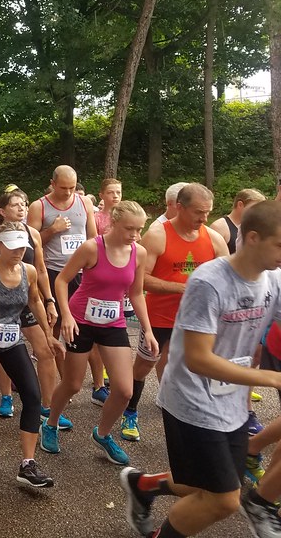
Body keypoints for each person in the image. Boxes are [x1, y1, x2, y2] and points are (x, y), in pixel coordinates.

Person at [119, 199, 281, 538]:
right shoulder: (209, 282)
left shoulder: (273, 279)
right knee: (223, 500)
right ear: (252, 238)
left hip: (232, 401)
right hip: (191, 400)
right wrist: (270, 377)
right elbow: (198, 359)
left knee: (208, 485)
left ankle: (144, 485)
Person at [40, 201, 156, 467]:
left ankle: (102, 434)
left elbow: (136, 293)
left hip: (112, 322)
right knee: (72, 384)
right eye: (130, 229)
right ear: (113, 222)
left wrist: (147, 329)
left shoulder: (139, 253)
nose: (135, 235)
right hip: (81, 321)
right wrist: (66, 315)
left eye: (139, 230)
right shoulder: (93, 247)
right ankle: (51, 423)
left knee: (125, 390)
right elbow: (62, 280)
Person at [121, 183, 229, 441]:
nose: (204, 218)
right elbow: (141, 281)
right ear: (179, 207)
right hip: (160, 317)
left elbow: (227, 276)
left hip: (197, 319)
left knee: (193, 367)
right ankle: (130, 412)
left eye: (208, 212)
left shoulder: (213, 239)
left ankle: (190, 415)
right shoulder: (158, 235)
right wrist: (183, 288)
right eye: (198, 212)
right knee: (145, 365)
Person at [0, 222, 60, 488]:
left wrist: (48, 333)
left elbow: (34, 301)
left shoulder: (28, 271)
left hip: (11, 339)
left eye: (23, 247)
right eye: (13, 246)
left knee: (32, 394)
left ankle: (27, 464)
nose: (19, 252)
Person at [0, 187, 65, 429]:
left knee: (45, 350)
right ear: (2, 211)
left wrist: (50, 300)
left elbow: (41, 269)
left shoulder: (32, 234)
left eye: (24, 204)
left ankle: (47, 406)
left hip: (26, 300)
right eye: (15, 205)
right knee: (2, 347)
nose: (22, 208)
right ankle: (6, 396)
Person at [27, 165, 101, 399]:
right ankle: (64, 383)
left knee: (92, 326)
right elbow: (32, 242)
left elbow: (93, 237)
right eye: (63, 188)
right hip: (53, 272)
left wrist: (96, 266)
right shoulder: (38, 206)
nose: (69, 192)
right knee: (56, 327)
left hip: (82, 273)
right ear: (52, 183)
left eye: (72, 187)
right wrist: (53, 229)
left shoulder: (84, 203)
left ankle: (99, 386)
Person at [210, 188, 267, 254]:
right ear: (240, 205)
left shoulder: (254, 226)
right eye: (254, 208)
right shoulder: (220, 227)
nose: (257, 212)